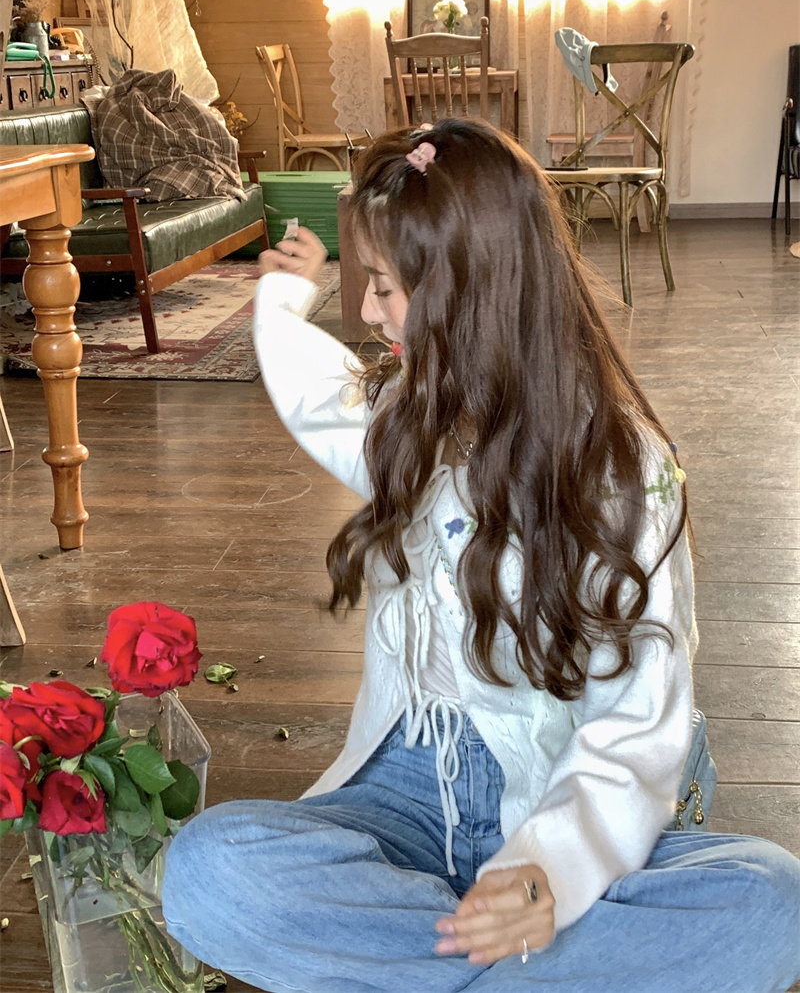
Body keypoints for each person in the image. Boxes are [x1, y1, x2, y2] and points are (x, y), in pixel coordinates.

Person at [162, 118, 800, 993]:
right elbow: (319, 401)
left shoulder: (625, 473)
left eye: (384, 286)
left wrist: (549, 873)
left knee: (773, 902)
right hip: (407, 785)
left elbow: (635, 722)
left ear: (467, 295)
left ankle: (434, 957)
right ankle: (517, 969)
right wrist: (280, 300)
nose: (367, 310)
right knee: (205, 873)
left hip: (576, 788)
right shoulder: (406, 417)